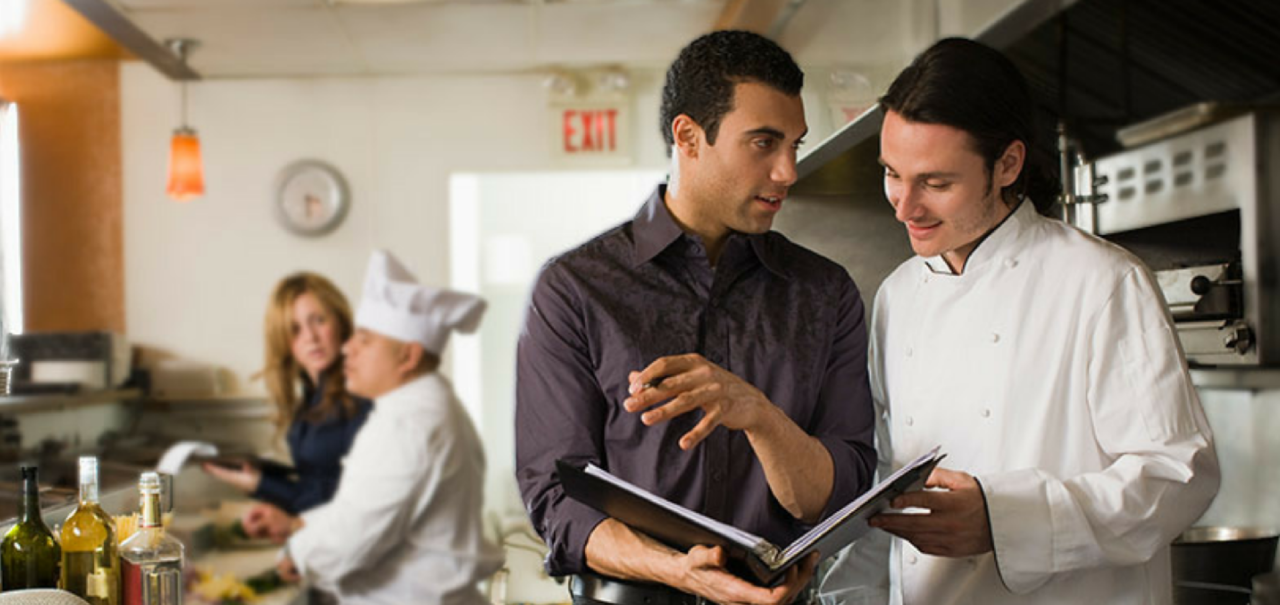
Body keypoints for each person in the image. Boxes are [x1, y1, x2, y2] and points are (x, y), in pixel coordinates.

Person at [830, 37, 1220, 603]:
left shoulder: (1101, 282)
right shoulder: (898, 295)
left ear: (1008, 164)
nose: (904, 206)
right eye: (892, 173)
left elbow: (1177, 476)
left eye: (936, 183)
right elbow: (889, 484)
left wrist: (1004, 520)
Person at [515, 30, 877, 605]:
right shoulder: (575, 289)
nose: (788, 171)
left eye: (795, 145)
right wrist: (678, 571)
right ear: (688, 136)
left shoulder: (824, 293)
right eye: (764, 143)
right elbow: (557, 499)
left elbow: (841, 493)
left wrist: (761, 417)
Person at [276, 250, 503, 604]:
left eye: (365, 340)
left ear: (408, 357)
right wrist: (305, 526)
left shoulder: (408, 421)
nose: (348, 349)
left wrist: (297, 552)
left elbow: (352, 539)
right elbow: (366, 504)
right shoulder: (424, 403)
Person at [203, 272, 372, 542]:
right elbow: (314, 480)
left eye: (319, 320)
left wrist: (261, 484)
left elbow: (350, 498)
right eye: (295, 329)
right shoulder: (310, 397)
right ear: (284, 341)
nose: (311, 337)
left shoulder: (360, 397)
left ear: (340, 321)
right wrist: (260, 476)